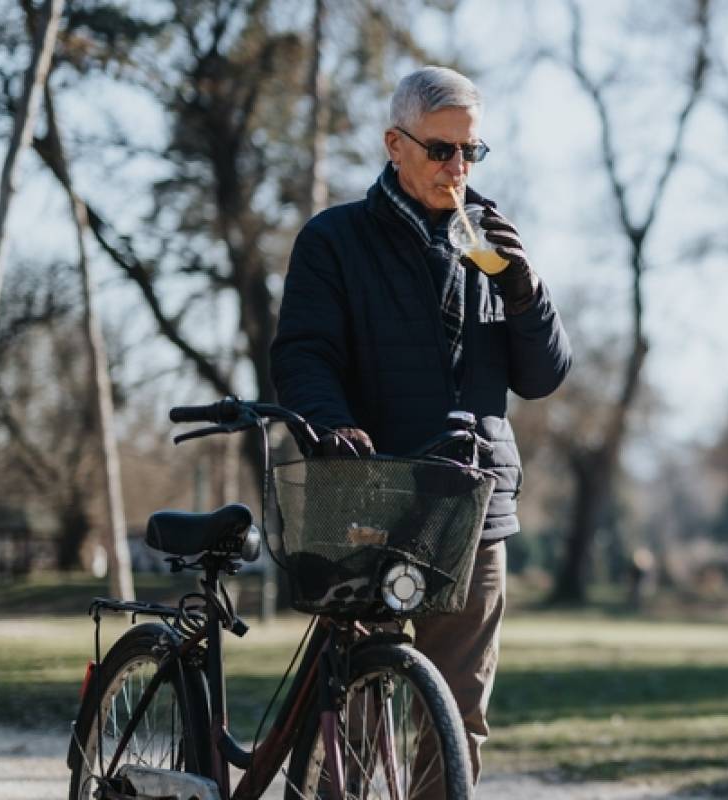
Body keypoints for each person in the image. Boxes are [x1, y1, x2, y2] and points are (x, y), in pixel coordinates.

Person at [271, 65, 571, 787]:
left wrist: (526, 295)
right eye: (441, 150)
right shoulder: (335, 240)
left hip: (474, 503)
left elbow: (544, 377)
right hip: (369, 497)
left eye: (471, 151)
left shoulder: (490, 240)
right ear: (394, 145)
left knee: (458, 714)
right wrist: (332, 423)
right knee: (358, 705)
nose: (458, 168)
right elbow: (303, 354)